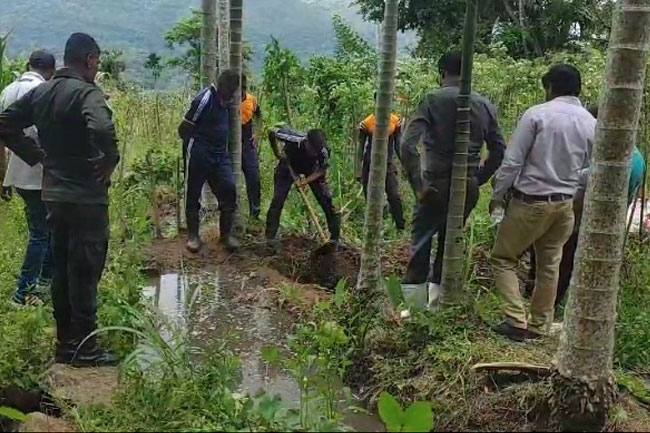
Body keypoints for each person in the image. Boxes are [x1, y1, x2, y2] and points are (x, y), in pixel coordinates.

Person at [0, 33, 121, 366]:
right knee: (86, 270)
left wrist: (37, 156)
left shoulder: (43, 91)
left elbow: (5, 124)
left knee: (63, 268)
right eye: (96, 62)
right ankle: (87, 349)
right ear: (90, 59)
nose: (97, 67)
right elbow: (100, 126)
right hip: (86, 198)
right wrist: (111, 157)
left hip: (53, 194)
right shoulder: (87, 92)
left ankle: (65, 345)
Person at [490, 64, 595, 342]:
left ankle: (516, 320)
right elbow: (594, 167)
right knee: (550, 265)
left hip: (531, 202)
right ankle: (539, 326)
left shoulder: (537, 114)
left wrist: (498, 195)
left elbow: (513, 161)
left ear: (550, 88)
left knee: (503, 258)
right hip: (565, 205)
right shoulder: (590, 122)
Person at [400, 51, 506, 310]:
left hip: (435, 183)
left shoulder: (433, 99)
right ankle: (437, 307)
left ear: (442, 73)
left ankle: (412, 310)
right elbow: (499, 149)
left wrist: (418, 186)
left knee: (421, 243)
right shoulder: (484, 104)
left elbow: (406, 145)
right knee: (449, 244)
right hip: (466, 185)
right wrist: (478, 178)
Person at [0, 50, 56, 306]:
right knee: (41, 233)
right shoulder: (43, 92)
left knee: (42, 230)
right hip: (39, 174)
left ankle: (43, 282)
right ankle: (24, 292)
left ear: (28, 65)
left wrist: (3, 176)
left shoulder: (8, 90)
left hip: (18, 173)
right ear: (51, 71)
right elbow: (43, 134)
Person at [179, 69, 241, 253]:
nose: (232, 95)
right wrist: (195, 147)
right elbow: (184, 128)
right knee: (193, 193)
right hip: (200, 152)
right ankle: (193, 237)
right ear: (222, 87)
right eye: (230, 91)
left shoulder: (227, 102)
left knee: (229, 189)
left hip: (220, 155)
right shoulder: (204, 100)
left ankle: (225, 236)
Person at [265, 128, 340, 251]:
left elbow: (321, 170)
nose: (315, 153)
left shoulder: (323, 151)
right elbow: (272, 132)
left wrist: (305, 181)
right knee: (278, 200)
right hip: (288, 165)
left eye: (317, 152)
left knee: (327, 201)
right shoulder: (293, 139)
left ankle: (334, 240)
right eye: (312, 150)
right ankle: (270, 238)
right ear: (306, 142)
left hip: (311, 170)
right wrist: (278, 154)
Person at [357, 100, 405, 231]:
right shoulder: (367, 123)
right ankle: (373, 228)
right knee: (370, 198)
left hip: (388, 164)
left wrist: (405, 163)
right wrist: (357, 170)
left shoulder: (395, 121)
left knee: (394, 196)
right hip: (370, 165)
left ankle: (400, 227)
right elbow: (361, 147)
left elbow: (398, 144)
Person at [241, 74, 263, 220]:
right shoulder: (228, 101)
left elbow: (259, 116)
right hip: (230, 146)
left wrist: (257, 134)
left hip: (248, 145)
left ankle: (254, 213)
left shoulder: (251, 100)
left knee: (253, 178)